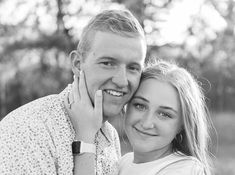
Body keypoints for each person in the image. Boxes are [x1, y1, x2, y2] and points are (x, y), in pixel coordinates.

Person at [0, 9, 147, 175]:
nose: (122, 81)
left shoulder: (110, 135)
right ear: (78, 64)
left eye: (133, 68)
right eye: (108, 63)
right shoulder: (28, 132)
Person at [119, 60, 213, 175]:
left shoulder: (184, 169)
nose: (146, 123)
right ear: (126, 105)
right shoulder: (123, 162)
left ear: (182, 124)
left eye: (164, 114)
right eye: (140, 106)